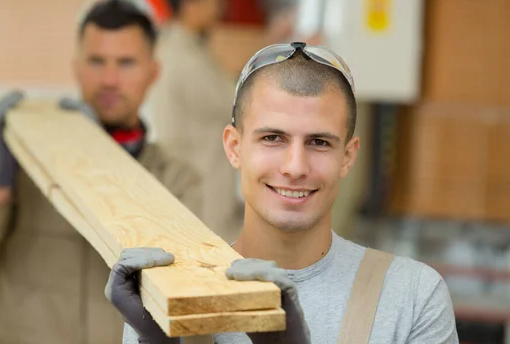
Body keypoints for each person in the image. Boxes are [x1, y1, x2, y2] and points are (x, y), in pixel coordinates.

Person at [107, 42, 459, 343]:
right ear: (234, 147)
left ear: (347, 156)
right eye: (272, 138)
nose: (295, 167)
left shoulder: (411, 296)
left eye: (319, 142)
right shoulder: (171, 296)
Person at [0, 0, 202, 344]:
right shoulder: (10, 153)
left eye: (126, 62)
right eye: (97, 61)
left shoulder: (177, 180)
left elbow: (188, 306)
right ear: (77, 68)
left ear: (153, 72)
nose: (110, 79)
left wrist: (102, 162)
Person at [147, 0, 242, 243]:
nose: (221, 4)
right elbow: (239, 102)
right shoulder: (184, 60)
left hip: (201, 193)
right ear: (190, 3)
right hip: (201, 198)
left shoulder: (184, 49)